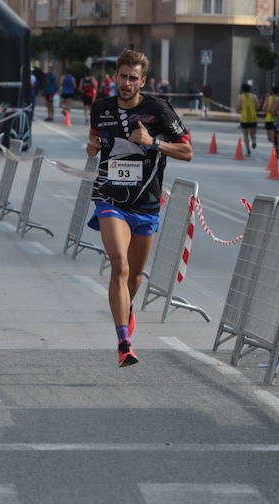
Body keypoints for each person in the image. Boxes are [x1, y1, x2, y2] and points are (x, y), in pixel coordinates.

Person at [85, 49, 192, 367]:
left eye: (134, 78)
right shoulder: (101, 108)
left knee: (134, 276)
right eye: (123, 76)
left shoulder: (158, 109)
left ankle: (126, 307)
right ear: (115, 76)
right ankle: (123, 343)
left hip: (145, 204)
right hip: (110, 198)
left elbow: (187, 151)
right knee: (119, 265)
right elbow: (95, 142)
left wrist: (153, 143)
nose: (127, 82)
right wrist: (92, 147)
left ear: (143, 81)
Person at [238, 83, 258, 157]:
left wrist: (242, 109)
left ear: (243, 89)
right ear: (250, 89)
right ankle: (253, 141)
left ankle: (248, 150)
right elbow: (258, 106)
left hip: (244, 118)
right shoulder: (254, 96)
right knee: (253, 133)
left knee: (245, 135)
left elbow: (238, 107)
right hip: (253, 117)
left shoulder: (240, 97)